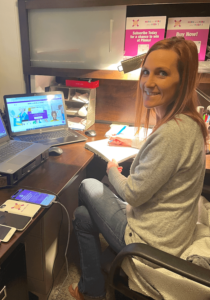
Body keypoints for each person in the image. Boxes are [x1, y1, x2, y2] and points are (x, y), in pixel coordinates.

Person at [68, 37, 208, 300]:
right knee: (83, 216)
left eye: (162, 73)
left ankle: (93, 290)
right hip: (167, 230)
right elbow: (164, 153)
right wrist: (133, 142)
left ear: (184, 80)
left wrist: (111, 169)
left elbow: (132, 194)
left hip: (151, 242)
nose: (148, 82)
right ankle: (92, 290)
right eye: (146, 71)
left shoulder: (173, 133)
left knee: (88, 184)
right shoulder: (187, 123)